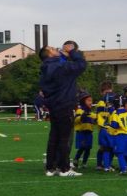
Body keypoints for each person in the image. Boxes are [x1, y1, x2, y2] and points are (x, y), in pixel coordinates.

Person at [39, 41, 86, 177]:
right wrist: (72, 51)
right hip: (65, 104)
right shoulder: (59, 66)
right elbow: (81, 65)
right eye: (53, 49)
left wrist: (64, 56)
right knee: (64, 138)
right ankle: (64, 168)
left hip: (54, 105)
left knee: (54, 137)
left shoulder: (46, 68)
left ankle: (50, 168)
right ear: (50, 54)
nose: (56, 49)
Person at [72, 92, 96, 169]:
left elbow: (95, 120)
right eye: (88, 100)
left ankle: (84, 162)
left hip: (89, 132)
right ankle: (76, 159)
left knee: (88, 148)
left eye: (91, 101)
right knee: (82, 147)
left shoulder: (91, 113)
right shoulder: (79, 111)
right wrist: (82, 117)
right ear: (83, 101)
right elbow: (75, 120)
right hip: (81, 132)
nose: (90, 102)